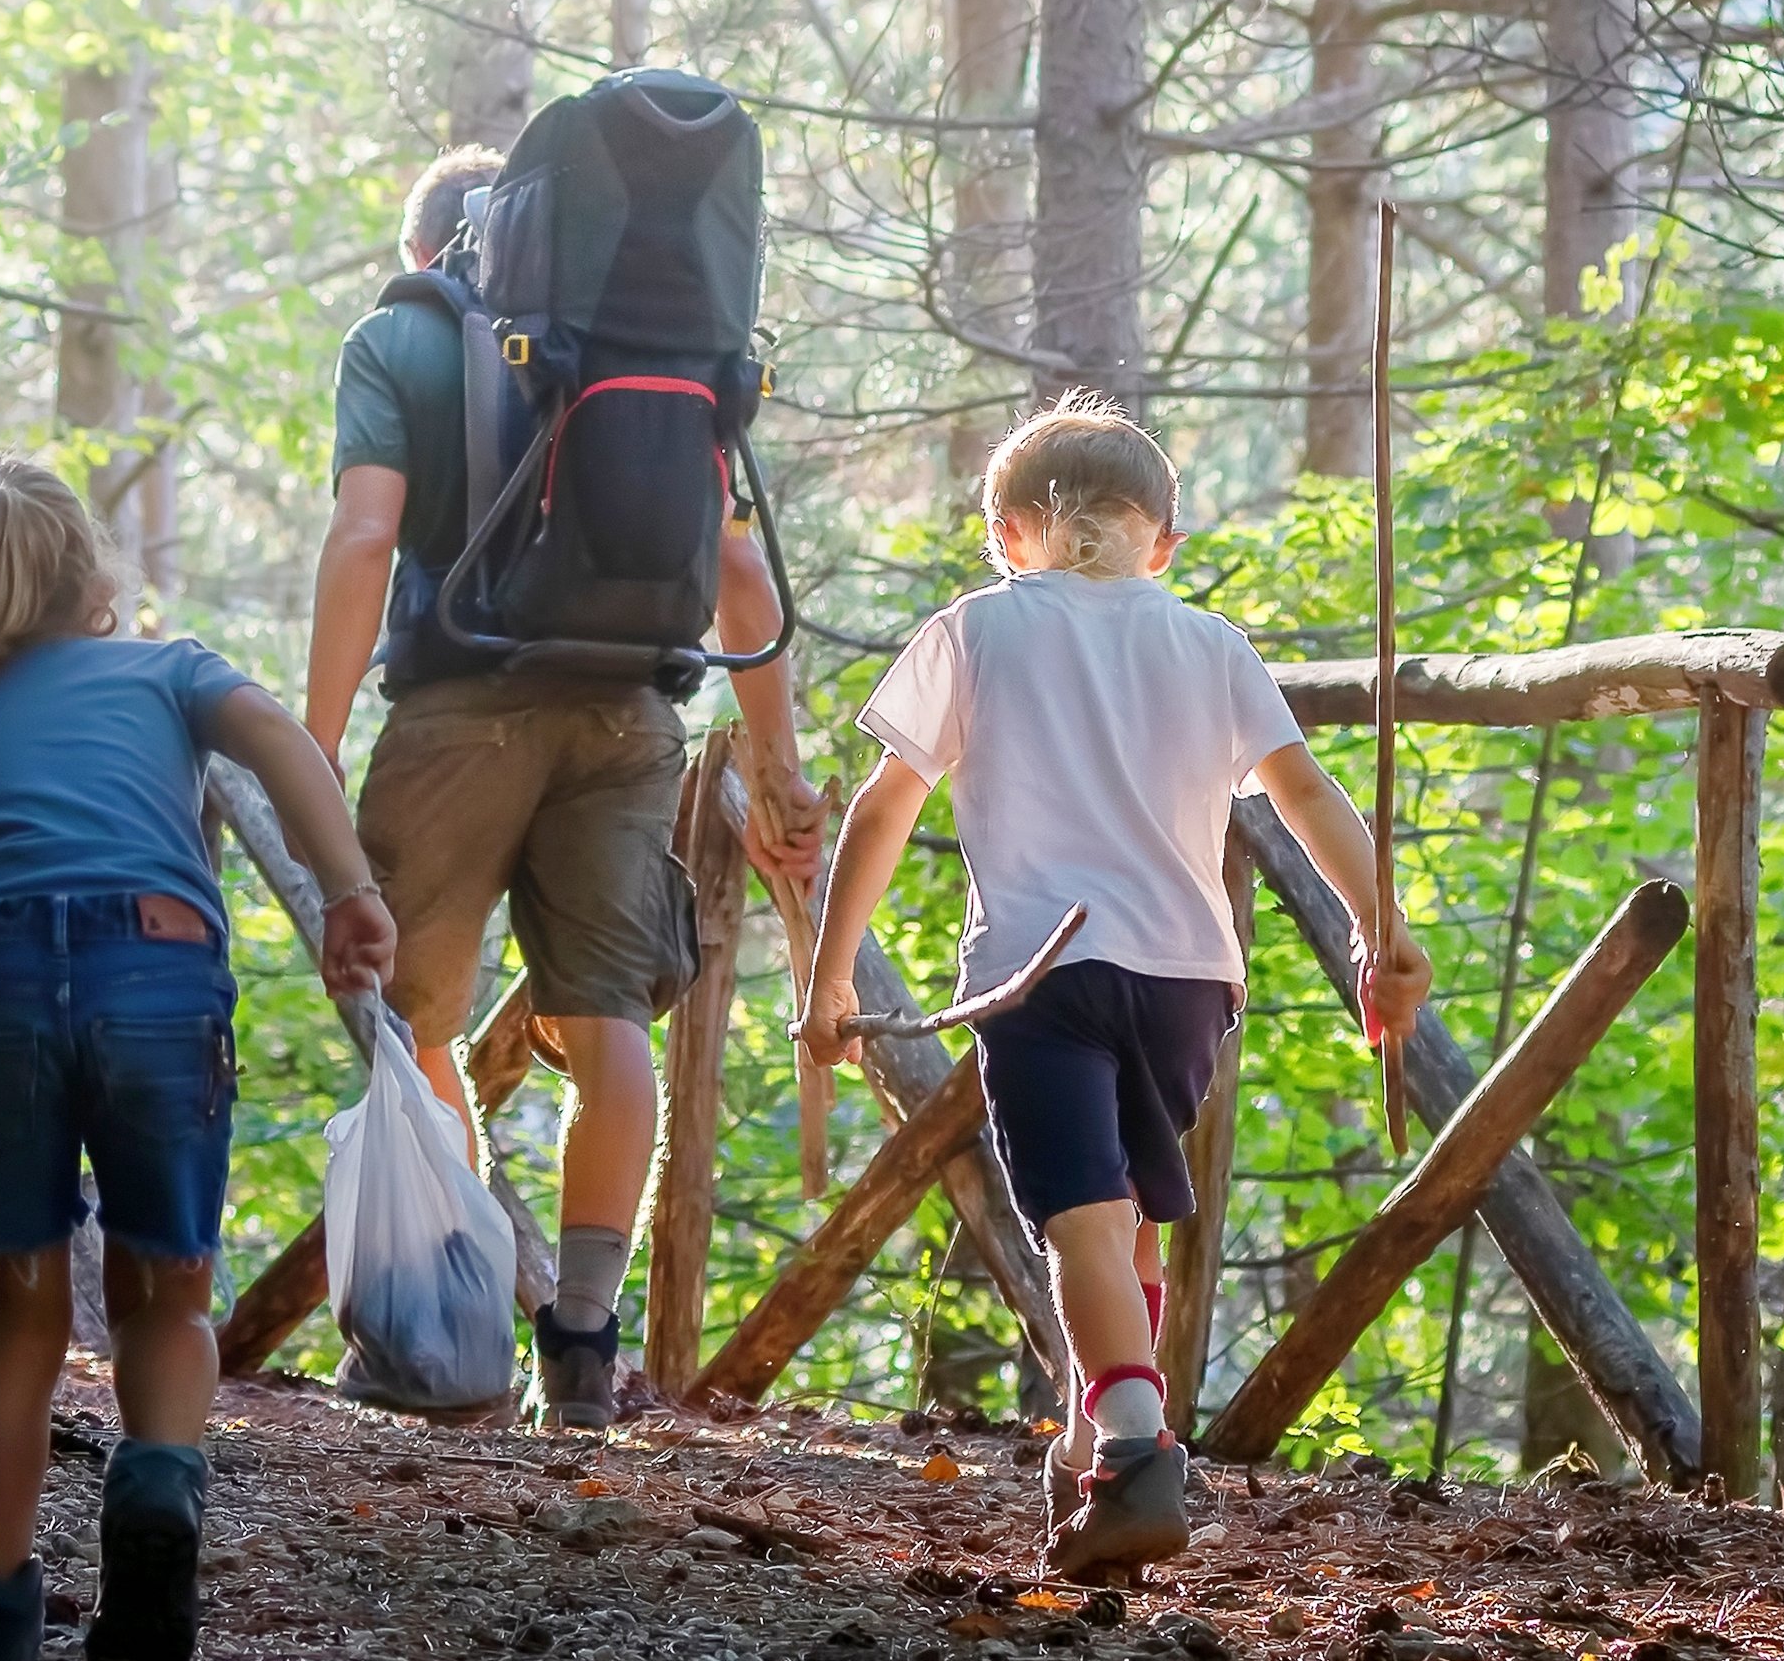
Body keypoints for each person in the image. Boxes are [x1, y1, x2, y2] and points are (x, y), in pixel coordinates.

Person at [802, 393, 1431, 1581]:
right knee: (1125, 1215)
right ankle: (1092, 1442)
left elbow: (884, 804)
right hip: (1186, 977)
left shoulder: (973, 629)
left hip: (1041, 970)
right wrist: (1377, 922)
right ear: (1162, 543)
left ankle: (1136, 1457)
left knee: (1080, 1219)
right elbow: (1302, 794)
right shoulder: (1210, 641)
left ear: (1003, 532)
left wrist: (829, 975)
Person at [0, 455, 395, 1661]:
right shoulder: (170, 672)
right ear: (94, 582)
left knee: (16, 1316)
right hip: (157, 981)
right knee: (165, 1288)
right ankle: (154, 1477)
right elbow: (274, 739)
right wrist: (349, 890)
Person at [302, 145, 823, 1431]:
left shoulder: (399, 336)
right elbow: (742, 587)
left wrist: (309, 743)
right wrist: (776, 766)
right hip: (629, 711)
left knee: (409, 1019)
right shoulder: (656, 347)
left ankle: (448, 1322)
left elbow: (366, 535)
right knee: (609, 1030)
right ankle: (581, 1344)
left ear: (433, 248)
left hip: (456, 714)